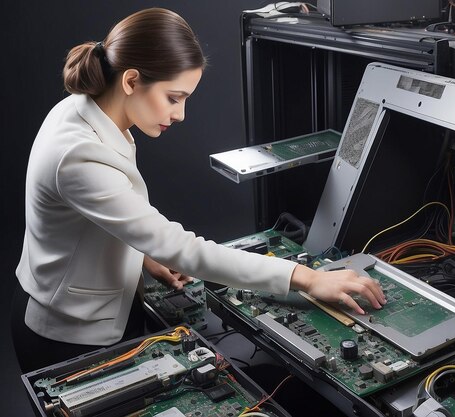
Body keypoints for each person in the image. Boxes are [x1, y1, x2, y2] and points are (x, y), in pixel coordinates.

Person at [12, 8, 385, 373]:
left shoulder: (86, 110)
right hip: (69, 340)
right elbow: (182, 248)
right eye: (174, 97)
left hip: (97, 310)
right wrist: (309, 277)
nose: (180, 114)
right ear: (130, 81)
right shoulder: (79, 154)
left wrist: (142, 255)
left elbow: (96, 220)